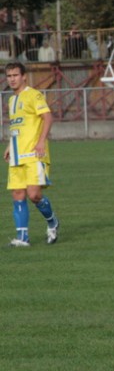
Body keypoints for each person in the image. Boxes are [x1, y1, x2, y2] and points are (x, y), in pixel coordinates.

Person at [3, 62, 60, 247]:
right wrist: (10, 146)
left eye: (15, 75)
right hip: (18, 154)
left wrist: (41, 141)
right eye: (9, 76)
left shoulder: (33, 95)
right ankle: (22, 238)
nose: (12, 79)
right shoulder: (11, 100)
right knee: (18, 194)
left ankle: (52, 222)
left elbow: (47, 117)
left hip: (34, 154)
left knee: (34, 195)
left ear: (24, 76)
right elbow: (17, 126)